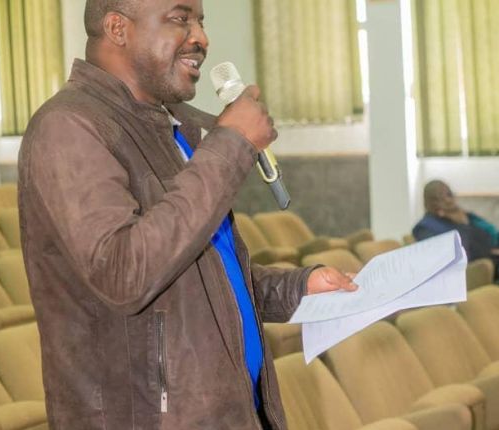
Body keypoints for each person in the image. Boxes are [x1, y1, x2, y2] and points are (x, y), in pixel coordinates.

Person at [18, 0, 357, 428]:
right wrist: (230, 146)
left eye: (200, 21)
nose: (201, 38)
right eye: (180, 19)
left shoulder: (173, 126)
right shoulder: (68, 126)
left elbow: (197, 277)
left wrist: (297, 288)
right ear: (118, 28)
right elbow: (123, 272)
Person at [413, 180, 499, 277]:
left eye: (449, 194)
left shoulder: (465, 215)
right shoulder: (424, 227)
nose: (449, 200)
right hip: (469, 271)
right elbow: (453, 255)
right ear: (430, 202)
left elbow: (491, 234)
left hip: (490, 258)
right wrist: (461, 224)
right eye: (440, 197)